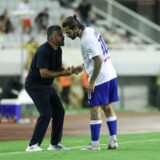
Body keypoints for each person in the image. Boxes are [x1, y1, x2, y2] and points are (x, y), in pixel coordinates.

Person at [62, 15, 119, 150]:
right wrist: (80, 68)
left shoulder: (86, 40)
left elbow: (97, 60)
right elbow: (94, 58)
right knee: (108, 108)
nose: (68, 36)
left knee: (94, 110)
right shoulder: (90, 31)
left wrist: (91, 82)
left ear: (76, 28)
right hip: (110, 73)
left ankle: (94, 144)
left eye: (69, 32)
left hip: (100, 78)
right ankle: (113, 141)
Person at [25, 25, 80, 152]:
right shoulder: (43, 51)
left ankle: (54, 144)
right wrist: (62, 74)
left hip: (47, 86)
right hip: (35, 86)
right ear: (53, 37)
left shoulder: (58, 50)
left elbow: (57, 67)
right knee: (46, 113)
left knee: (59, 111)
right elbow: (43, 73)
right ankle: (32, 145)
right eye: (61, 35)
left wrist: (68, 70)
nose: (63, 37)